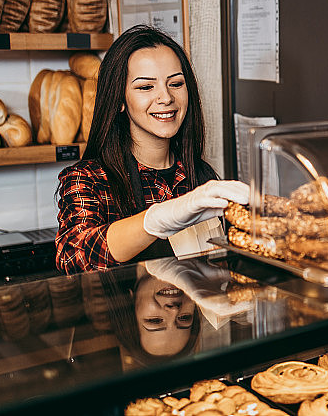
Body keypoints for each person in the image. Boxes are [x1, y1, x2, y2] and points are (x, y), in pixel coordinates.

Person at [56, 25, 248, 273]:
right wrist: (156, 219)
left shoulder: (200, 176)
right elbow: (73, 257)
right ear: (119, 100)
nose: (166, 97)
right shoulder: (88, 179)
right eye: (146, 87)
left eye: (176, 84)